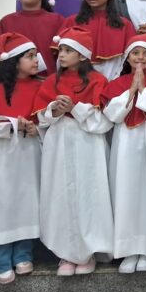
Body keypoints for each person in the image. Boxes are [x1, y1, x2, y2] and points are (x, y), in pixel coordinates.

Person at [33, 26, 113, 276]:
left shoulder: (98, 81)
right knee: (60, 194)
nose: (62, 55)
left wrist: (75, 107)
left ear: (82, 55)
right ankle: (66, 253)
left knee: (89, 194)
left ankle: (88, 252)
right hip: (59, 142)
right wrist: (54, 110)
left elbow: (104, 121)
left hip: (87, 142)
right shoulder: (51, 81)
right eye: (61, 51)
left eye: (68, 50)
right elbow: (41, 117)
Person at [0, 33, 42, 284]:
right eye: (30, 56)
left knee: (28, 202)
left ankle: (23, 253)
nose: (37, 60)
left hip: (29, 154)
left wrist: (36, 128)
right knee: (2, 204)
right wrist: (14, 124)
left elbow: (45, 120)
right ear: (14, 61)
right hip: (2, 158)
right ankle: (0, 258)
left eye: (35, 55)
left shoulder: (40, 87)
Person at [102, 33, 146, 273]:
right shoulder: (116, 84)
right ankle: (128, 249)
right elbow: (112, 115)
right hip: (125, 145)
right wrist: (131, 90)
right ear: (127, 57)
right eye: (135, 53)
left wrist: (144, 90)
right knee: (125, 192)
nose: (140, 58)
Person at [59, 0, 136, 81]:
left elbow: (129, 59)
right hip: (76, 81)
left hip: (113, 80)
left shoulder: (124, 25)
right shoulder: (72, 22)